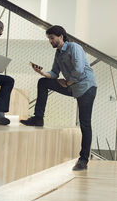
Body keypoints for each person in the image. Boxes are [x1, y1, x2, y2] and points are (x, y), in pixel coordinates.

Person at [20, 25, 97, 171]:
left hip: (86, 87)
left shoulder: (74, 47)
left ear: (61, 36)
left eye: (52, 38)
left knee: (85, 123)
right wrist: (42, 73)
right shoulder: (58, 53)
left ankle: (83, 160)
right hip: (72, 86)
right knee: (43, 83)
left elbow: (79, 70)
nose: (50, 41)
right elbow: (54, 73)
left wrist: (67, 82)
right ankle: (38, 118)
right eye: (49, 38)